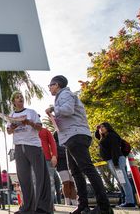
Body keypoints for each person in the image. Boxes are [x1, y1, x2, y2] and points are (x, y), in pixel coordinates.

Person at [45, 75, 112, 214]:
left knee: (87, 169)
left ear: (56, 85)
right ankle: (83, 205)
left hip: (76, 135)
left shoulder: (65, 94)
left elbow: (68, 110)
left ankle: (104, 207)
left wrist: (53, 109)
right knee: (75, 171)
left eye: (50, 85)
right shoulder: (61, 97)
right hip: (70, 137)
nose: (49, 88)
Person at [7, 91, 51, 214]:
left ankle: (43, 208)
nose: (20, 98)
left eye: (21, 96)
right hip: (19, 147)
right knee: (24, 178)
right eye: (17, 97)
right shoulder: (11, 114)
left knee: (40, 176)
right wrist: (13, 127)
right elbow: (9, 131)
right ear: (13, 101)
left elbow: (39, 127)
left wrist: (29, 123)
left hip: (33, 146)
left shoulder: (31, 112)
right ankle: (27, 207)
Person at [95, 122, 135, 207]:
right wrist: (97, 129)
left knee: (124, 181)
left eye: (103, 127)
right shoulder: (105, 137)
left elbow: (115, 149)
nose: (101, 128)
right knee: (122, 181)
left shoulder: (111, 135)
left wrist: (116, 163)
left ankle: (130, 202)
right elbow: (98, 136)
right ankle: (126, 201)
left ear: (108, 127)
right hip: (112, 161)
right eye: (100, 127)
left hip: (116, 160)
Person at [53, 131, 77, 206]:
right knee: (66, 183)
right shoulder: (55, 145)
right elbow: (58, 154)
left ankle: (74, 202)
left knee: (72, 183)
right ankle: (67, 202)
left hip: (71, 165)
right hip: (61, 166)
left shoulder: (67, 142)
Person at [38, 126, 59, 207]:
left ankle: (50, 204)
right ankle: (38, 204)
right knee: (36, 182)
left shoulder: (45, 131)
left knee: (50, 182)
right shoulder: (29, 132)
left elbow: (52, 143)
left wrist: (54, 155)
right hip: (34, 160)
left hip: (47, 159)